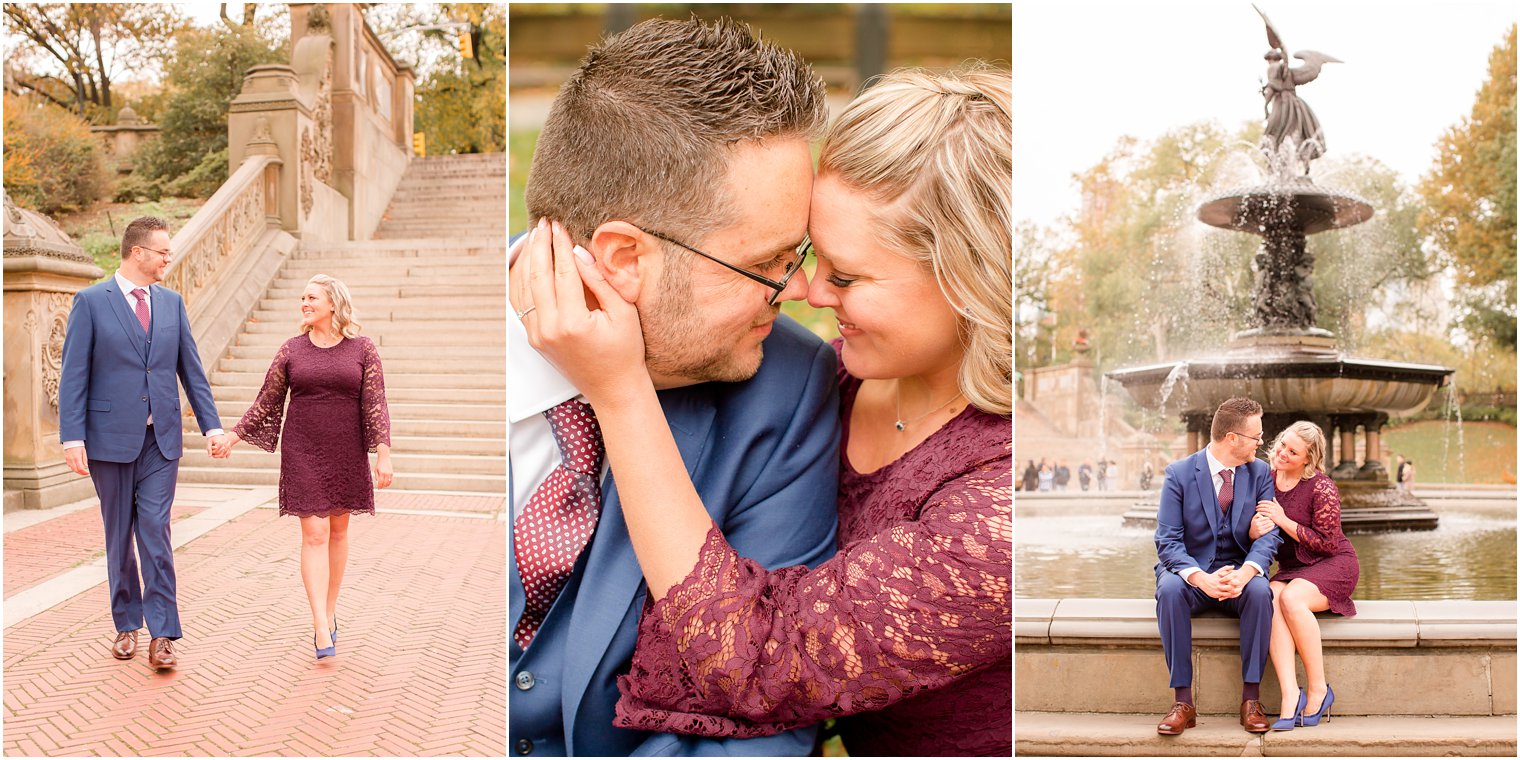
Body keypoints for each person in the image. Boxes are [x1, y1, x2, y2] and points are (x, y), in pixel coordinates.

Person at [522, 65, 1012, 756]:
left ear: (971, 279)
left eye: (845, 275)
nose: (808, 291)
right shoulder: (828, 383)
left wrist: (620, 390)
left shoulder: (1004, 506)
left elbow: (763, 663)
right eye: (805, 257)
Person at [506, 17, 839, 756]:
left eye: (801, 252)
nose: (802, 290)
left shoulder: (788, 389)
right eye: (771, 261)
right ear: (624, 257)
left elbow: (765, 732)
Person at [58, 216, 226, 671]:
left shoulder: (171, 304)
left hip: (162, 440)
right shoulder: (91, 302)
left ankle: (164, 633)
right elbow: (74, 374)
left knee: (155, 532)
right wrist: (72, 436)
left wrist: (212, 426)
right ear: (138, 253)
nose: (168, 258)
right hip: (108, 440)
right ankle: (126, 624)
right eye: (162, 252)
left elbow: (190, 369)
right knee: (118, 535)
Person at [213, 275, 392, 660]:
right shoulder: (291, 350)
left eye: (312, 297)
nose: (304, 303)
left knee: (339, 532)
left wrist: (383, 452)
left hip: (347, 449)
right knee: (315, 533)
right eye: (302, 298)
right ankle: (319, 624)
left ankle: (329, 610)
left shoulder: (362, 348)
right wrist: (232, 437)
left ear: (333, 303)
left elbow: (375, 402)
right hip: (303, 449)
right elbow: (267, 401)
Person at [1154, 397, 1282, 736]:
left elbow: (1270, 535)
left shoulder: (1260, 474)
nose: (1261, 442)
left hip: (1238, 574)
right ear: (1232, 439)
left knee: (1259, 591)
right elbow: (1167, 540)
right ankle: (1183, 701)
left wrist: (1247, 570)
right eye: (1256, 436)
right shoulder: (1179, 474)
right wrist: (1200, 578)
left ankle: (1251, 700)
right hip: (1194, 575)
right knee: (1168, 589)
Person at [1249, 421, 1358, 730]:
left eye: (1293, 451)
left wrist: (1283, 520)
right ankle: (1289, 694)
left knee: (1293, 597)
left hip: (1334, 564)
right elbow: (1249, 529)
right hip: (1293, 569)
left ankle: (1319, 689)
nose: (1282, 453)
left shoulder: (1321, 486)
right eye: (1283, 444)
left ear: (1308, 459)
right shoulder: (1264, 480)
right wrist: (1253, 530)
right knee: (1272, 595)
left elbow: (1328, 543)